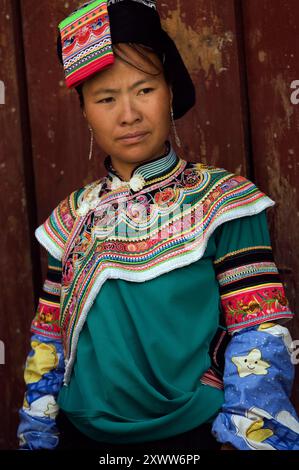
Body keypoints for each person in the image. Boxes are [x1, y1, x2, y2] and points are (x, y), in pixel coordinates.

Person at [17, 0, 299, 451]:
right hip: (79, 433)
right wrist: (38, 429)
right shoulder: (69, 219)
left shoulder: (223, 201)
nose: (128, 114)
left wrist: (247, 433)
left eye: (144, 90)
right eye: (105, 99)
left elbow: (258, 328)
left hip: (193, 432)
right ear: (85, 111)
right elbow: (48, 337)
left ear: (170, 90)